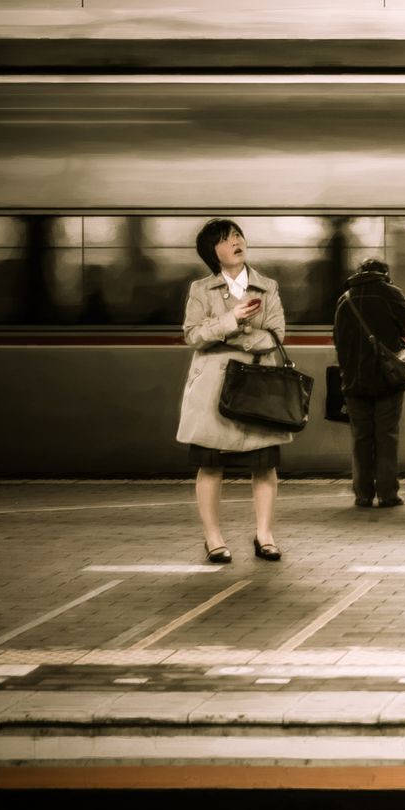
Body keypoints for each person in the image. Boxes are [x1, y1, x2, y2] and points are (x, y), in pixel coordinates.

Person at [175, 219, 290, 562]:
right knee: (210, 465)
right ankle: (213, 539)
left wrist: (229, 334)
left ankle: (265, 536)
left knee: (265, 464)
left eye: (238, 236)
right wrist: (232, 318)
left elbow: (276, 335)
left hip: (257, 387)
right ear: (213, 253)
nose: (236, 243)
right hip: (213, 391)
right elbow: (192, 335)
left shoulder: (267, 286)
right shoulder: (200, 289)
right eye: (226, 240)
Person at [333, 258, 405, 509]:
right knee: (386, 436)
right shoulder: (390, 293)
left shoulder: (345, 298)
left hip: (352, 381)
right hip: (387, 379)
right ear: (384, 273)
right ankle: (387, 494)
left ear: (359, 273)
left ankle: (362, 495)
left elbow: (337, 339)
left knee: (361, 438)